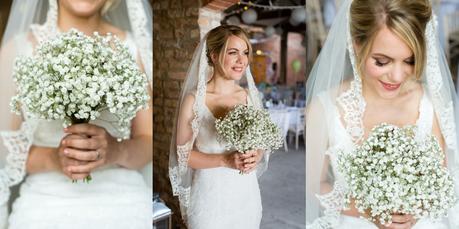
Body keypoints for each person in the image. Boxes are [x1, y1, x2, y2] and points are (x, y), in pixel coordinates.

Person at [306, 0, 459, 228]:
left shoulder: (429, 104)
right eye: (382, 61)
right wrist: (369, 210)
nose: (397, 76)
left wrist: (415, 209)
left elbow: (444, 180)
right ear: (357, 44)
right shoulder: (323, 108)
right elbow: (313, 185)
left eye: (410, 60)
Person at [0, 0, 153, 228]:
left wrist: (115, 150)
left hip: (124, 200)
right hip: (44, 203)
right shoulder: (19, 48)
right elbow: (5, 150)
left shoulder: (135, 48)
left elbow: (149, 141)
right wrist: (56, 158)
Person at [168, 25, 271, 229]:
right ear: (214, 56)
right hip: (210, 200)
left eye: (245, 52)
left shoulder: (248, 97)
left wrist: (256, 155)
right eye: (233, 52)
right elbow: (183, 156)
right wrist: (224, 160)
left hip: (246, 197)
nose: (242, 61)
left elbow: (261, 143)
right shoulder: (194, 101)